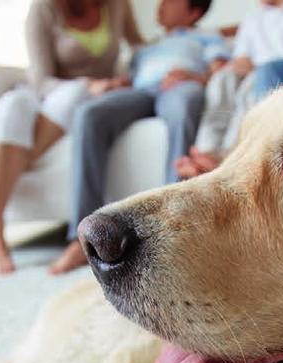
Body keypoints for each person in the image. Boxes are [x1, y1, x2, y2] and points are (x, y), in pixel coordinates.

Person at [0, 0, 143, 274]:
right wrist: (91, 84)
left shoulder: (117, 4)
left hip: (92, 99)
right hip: (51, 94)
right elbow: (41, 79)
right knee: (12, 105)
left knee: (79, 96)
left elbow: (138, 45)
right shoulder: (44, 8)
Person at [48, 0, 226, 274]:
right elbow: (129, 76)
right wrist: (118, 84)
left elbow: (221, 69)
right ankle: (79, 238)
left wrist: (195, 77)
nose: (161, 5)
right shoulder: (147, 48)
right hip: (140, 91)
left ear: (193, 11)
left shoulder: (207, 37)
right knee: (89, 114)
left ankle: (172, 227)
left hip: (179, 87)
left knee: (186, 103)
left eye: (170, 1)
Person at [175, 0, 283, 179]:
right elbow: (242, 57)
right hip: (254, 70)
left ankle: (229, 155)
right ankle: (205, 151)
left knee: (251, 84)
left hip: (282, 75)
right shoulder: (254, 18)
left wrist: (258, 68)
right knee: (222, 79)